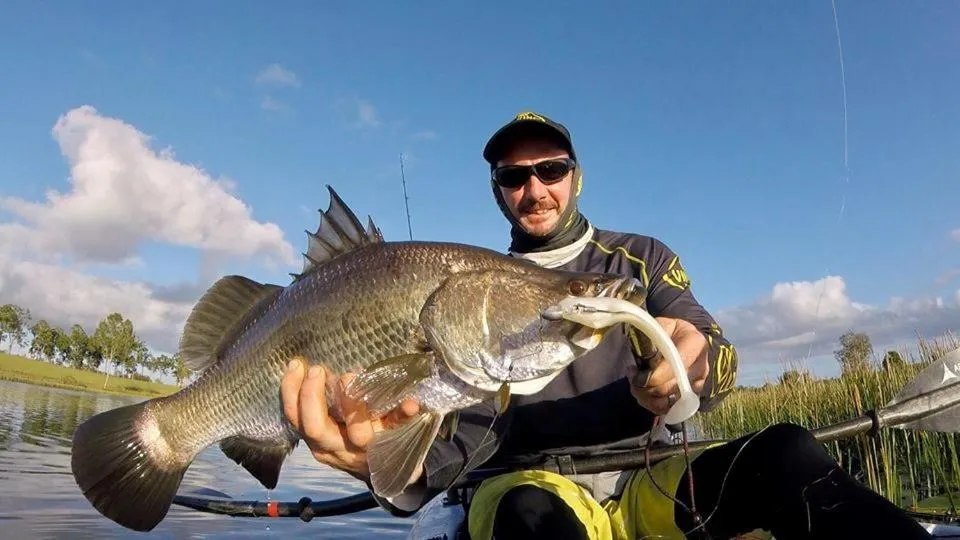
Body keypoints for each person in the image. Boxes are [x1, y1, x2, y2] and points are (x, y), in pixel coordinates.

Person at [279, 112, 932, 539]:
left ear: (577, 178)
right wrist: (379, 464)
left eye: (551, 169)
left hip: (651, 480)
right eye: (514, 176)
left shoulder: (641, 259)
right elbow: (457, 449)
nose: (535, 188)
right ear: (499, 191)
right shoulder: (467, 304)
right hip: (528, 492)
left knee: (788, 452)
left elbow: (717, 354)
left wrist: (696, 366)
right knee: (530, 518)